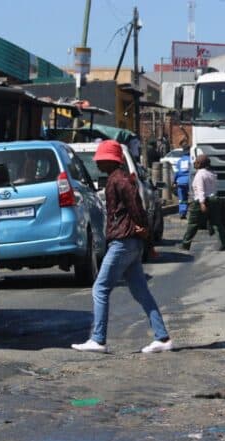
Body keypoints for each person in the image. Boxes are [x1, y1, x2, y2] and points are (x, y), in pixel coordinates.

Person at [72, 140, 173, 354]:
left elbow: (137, 209)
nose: (97, 162)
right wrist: (146, 241)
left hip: (123, 241)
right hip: (130, 242)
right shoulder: (118, 179)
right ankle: (162, 337)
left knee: (100, 288)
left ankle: (98, 340)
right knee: (140, 292)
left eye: (100, 159)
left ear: (110, 160)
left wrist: (146, 236)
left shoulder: (119, 180)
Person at [180, 154, 225, 251]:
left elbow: (200, 190)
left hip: (201, 200)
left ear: (200, 164)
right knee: (217, 223)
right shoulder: (212, 173)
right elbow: (213, 189)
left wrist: (202, 203)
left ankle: (185, 244)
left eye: (197, 162)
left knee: (193, 223)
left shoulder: (200, 174)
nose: (195, 163)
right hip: (214, 200)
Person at [174, 144, 192, 219]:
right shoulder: (191, 160)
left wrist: (174, 181)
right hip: (189, 181)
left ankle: (182, 212)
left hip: (180, 181)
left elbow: (177, 173)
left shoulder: (179, 161)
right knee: (192, 197)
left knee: (182, 198)